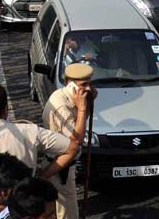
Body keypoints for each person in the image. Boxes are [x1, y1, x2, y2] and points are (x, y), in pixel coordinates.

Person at [0, 84, 82, 191]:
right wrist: (44, 175)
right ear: (6, 110)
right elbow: (73, 148)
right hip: (27, 206)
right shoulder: (31, 131)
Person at [43, 63, 96, 219]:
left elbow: (81, 122)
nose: (87, 88)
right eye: (83, 84)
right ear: (69, 83)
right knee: (68, 215)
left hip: (64, 165)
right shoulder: (62, 106)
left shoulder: (71, 96)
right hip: (59, 169)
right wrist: (81, 108)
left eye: (89, 83)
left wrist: (88, 104)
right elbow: (76, 140)